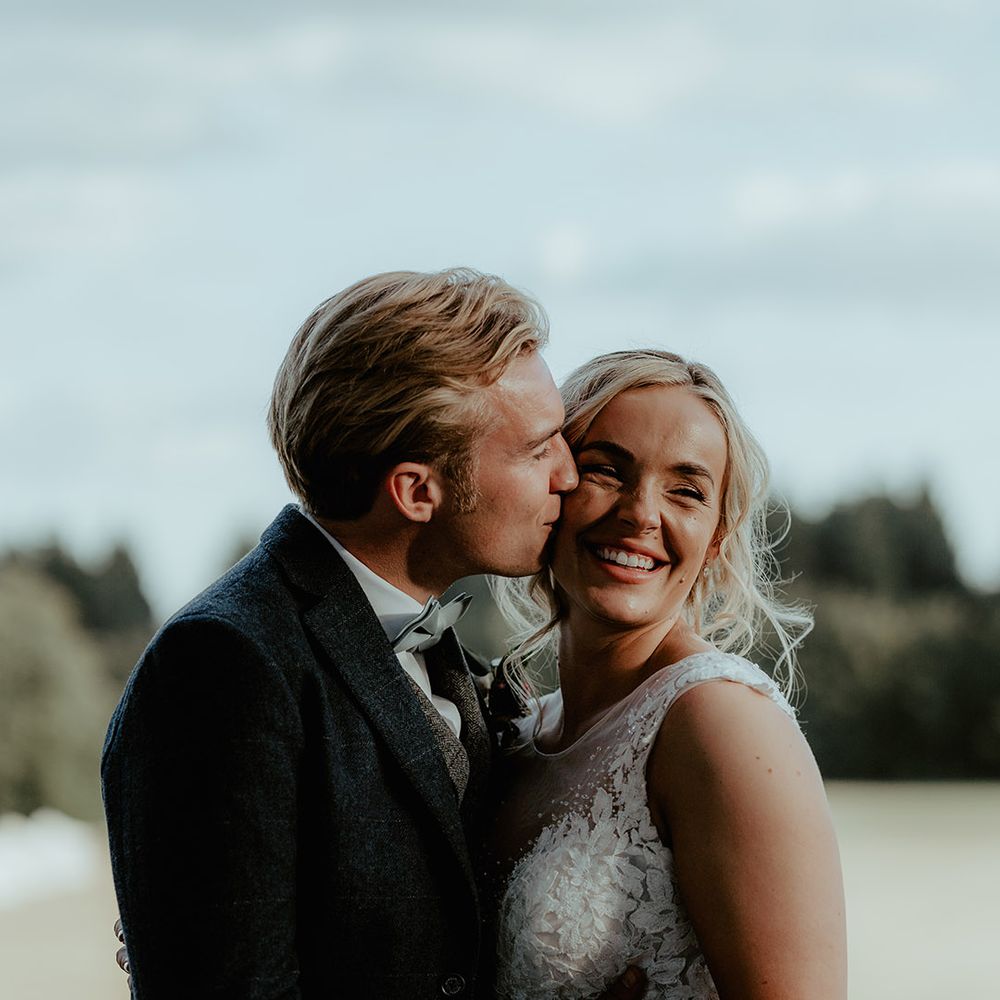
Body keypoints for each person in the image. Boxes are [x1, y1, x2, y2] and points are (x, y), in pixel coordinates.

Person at [101, 269, 647, 1000]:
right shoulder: (222, 666)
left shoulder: (436, 641)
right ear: (417, 490)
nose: (570, 476)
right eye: (538, 447)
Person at [487, 350, 847, 999]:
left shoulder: (721, 723)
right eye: (605, 470)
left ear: (715, 537)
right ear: (552, 486)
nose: (641, 513)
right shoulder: (515, 733)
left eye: (685, 490)